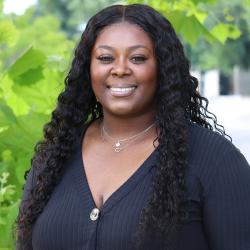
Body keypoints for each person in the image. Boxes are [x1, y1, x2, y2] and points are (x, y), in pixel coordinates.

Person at [16, 4, 250, 250]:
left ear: (163, 68)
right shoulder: (55, 157)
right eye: (106, 58)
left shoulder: (216, 161)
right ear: (88, 68)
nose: (120, 69)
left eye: (138, 58)